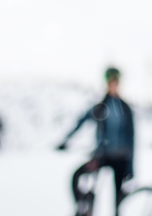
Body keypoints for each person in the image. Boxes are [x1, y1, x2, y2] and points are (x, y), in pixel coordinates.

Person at [58, 67, 135, 216]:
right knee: (78, 177)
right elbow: (82, 121)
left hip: (121, 158)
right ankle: (83, 209)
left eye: (115, 81)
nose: (112, 84)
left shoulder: (125, 108)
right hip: (103, 156)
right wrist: (66, 140)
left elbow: (132, 139)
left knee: (118, 202)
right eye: (110, 81)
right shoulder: (101, 106)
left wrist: (130, 167)